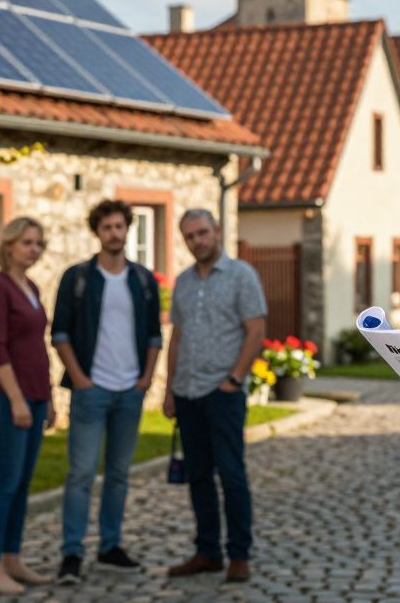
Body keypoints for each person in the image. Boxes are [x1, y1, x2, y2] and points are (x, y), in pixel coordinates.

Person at [53, 200, 163, 584]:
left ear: (127, 229)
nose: (114, 233)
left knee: (118, 474)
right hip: (91, 390)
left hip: (129, 390)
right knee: (81, 474)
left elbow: (154, 334)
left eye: (120, 226)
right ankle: (71, 553)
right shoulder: (78, 278)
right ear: (97, 232)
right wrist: (80, 378)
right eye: (107, 227)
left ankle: (110, 546)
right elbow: (60, 333)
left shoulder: (143, 280)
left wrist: (146, 378)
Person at [162, 208, 267, 584]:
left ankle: (239, 554)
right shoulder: (183, 282)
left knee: (231, 473)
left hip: (222, 392)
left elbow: (255, 330)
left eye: (203, 233)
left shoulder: (242, 275)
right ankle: (207, 551)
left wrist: (235, 379)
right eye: (190, 236)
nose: (197, 241)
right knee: (198, 476)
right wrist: (170, 387)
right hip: (187, 392)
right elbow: (177, 336)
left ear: (217, 231)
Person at [0, 216, 54, 595]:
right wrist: (17, 400)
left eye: (39, 243)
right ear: (8, 246)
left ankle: (12, 557)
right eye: (27, 242)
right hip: (10, 398)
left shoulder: (32, 287)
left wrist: (49, 399)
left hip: (37, 396)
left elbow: (38, 347)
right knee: (6, 482)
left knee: (23, 483)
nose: (34, 250)